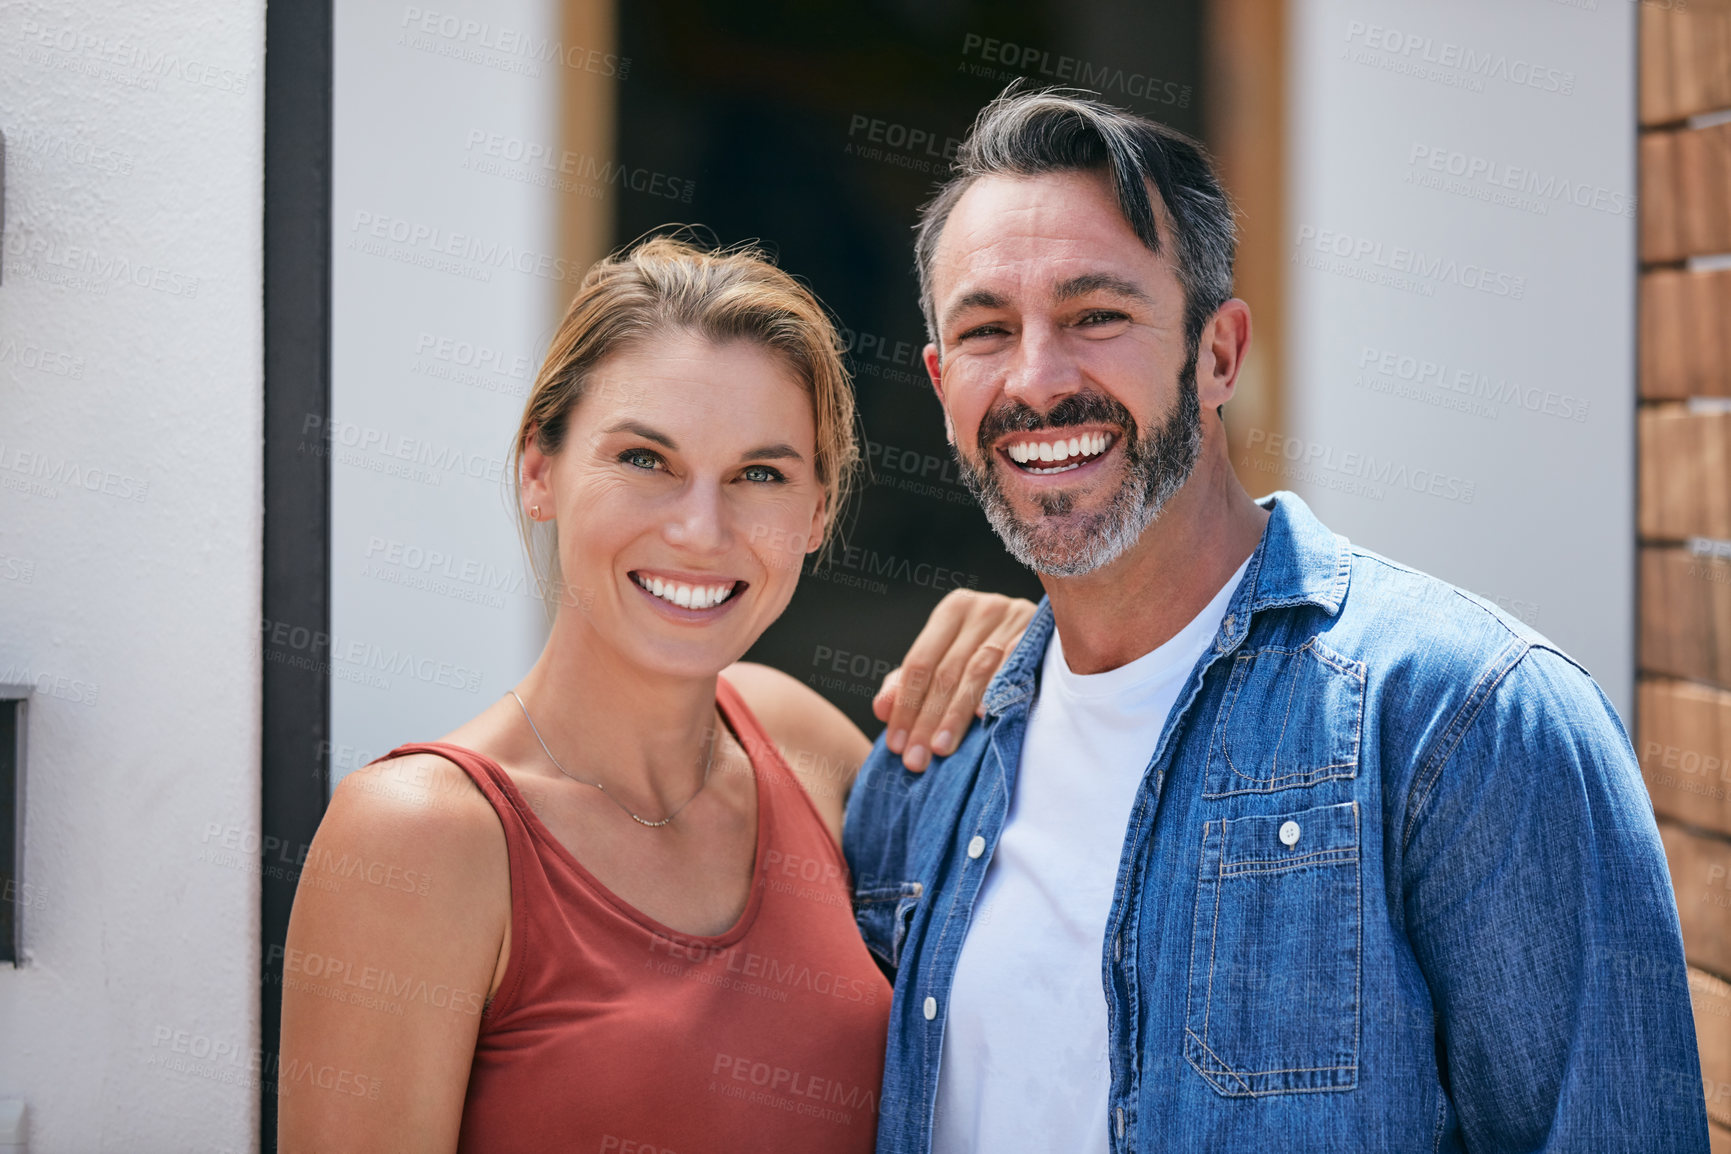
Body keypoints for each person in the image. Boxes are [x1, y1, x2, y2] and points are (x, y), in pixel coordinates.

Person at [843, 87, 1708, 1152]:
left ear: (1218, 353)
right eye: (986, 330)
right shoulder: (931, 768)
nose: (1037, 378)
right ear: (940, 383)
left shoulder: (1467, 721)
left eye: (1096, 315)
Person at [277, 235, 1033, 1153]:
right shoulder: (420, 836)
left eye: (760, 474)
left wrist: (1041, 652)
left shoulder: (796, 740)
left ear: (818, 513)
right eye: (644, 459)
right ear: (538, 469)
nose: (699, 529)